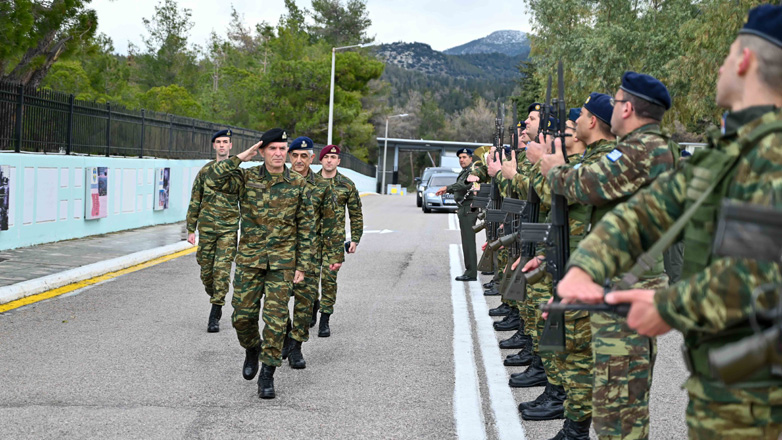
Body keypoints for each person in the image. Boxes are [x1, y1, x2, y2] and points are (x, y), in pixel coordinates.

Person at [564, 5, 782, 438]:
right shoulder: (733, 150)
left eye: (725, 58)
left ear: (744, 61)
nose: (720, 68)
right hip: (725, 376)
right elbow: (648, 211)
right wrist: (586, 264)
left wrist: (665, 306)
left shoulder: (770, 157)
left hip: (757, 391)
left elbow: (751, 278)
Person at [548, 72, 680, 439]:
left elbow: (588, 183)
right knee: (615, 403)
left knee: (621, 409)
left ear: (628, 107)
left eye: (617, 99)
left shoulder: (644, 148)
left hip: (630, 287)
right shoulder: (643, 146)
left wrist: (552, 170)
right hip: (622, 283)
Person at [207, 128, 315, 399]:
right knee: (242, 317)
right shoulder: (246, 177)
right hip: (249, 261)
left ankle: (267, 374)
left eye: (282, 149)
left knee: (276, 322)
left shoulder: (299, 185)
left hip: (282, 264)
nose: (278, 154)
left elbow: (306, 228)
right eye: (272, 149)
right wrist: (241, 156)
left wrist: (301, 266)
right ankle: (252, 349)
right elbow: (213, 180)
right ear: (263, 151)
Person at [532, 94, 617, 438]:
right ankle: (573, 420)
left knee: (581, 352)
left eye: (579, 116)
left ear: (593, 121)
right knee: (571, 347)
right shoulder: (598, 160)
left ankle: (576, 427)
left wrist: (545, 166)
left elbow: (559, 194)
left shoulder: (607, 161)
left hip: (590, 270)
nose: (575, 123)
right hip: (573, 261)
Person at [282, 136, 339, 369]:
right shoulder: (279, 182)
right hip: (281, 254)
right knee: (278, 302)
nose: (298, 160)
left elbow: (331, 224)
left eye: (303, 156)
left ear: (311, 158)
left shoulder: (322, 188)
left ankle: (296, 348)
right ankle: (286, 334)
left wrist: (335, 256)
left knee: (304, 306)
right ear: (289, 156)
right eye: (294, 155)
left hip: (310, 255)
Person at [186, 129, 240, 333]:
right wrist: (191, 228)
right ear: (214, 146)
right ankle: (215, 294)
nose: (222, 145)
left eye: (226, 141)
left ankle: (216, 310)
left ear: (231, 146)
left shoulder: (237, 172)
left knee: (221, 269)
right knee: (206, 271)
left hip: (228, 230)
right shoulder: (205, 171)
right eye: (219, 142)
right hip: (207, 229)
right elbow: (195, 199)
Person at [316, 145, 364, 337]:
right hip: (310, 241)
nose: (329, 160)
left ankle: (324, 319)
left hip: (334, 242)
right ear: (320, 160)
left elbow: (355, 213)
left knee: (329, 281)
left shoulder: (347, 184)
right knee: (308, 282)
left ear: (338, 161)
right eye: (326, 157)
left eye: (333, 157)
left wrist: (355, 238)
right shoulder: (309, 182)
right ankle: (312, 307)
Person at [436, 148, 477, 281]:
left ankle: (471, 272)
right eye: (460, 158)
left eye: (464, 157)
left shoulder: (472, 171)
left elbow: (462, 185)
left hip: (468, 209)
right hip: (464, 208)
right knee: (466, 241)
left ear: (471, 158)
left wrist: (447, 188)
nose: (461, 160)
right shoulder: (465, 171)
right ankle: (470, 270)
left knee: (468, 241)